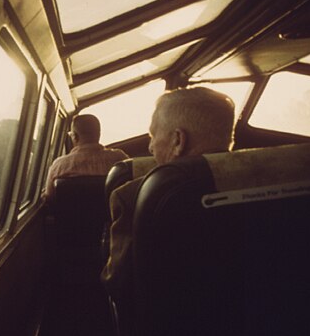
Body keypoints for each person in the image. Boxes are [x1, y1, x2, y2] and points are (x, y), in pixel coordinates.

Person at [100, 86, 235, 296]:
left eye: (153, 136)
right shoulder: (275, 179)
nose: (151, 147)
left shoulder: (132, 196)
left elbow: (117, 283)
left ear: (178, 140)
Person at [42, 114, 128, 201]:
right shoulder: (120, 159)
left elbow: (50, 197)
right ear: (98, 134)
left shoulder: (59, 166)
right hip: (113, 214)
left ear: (75, 137)